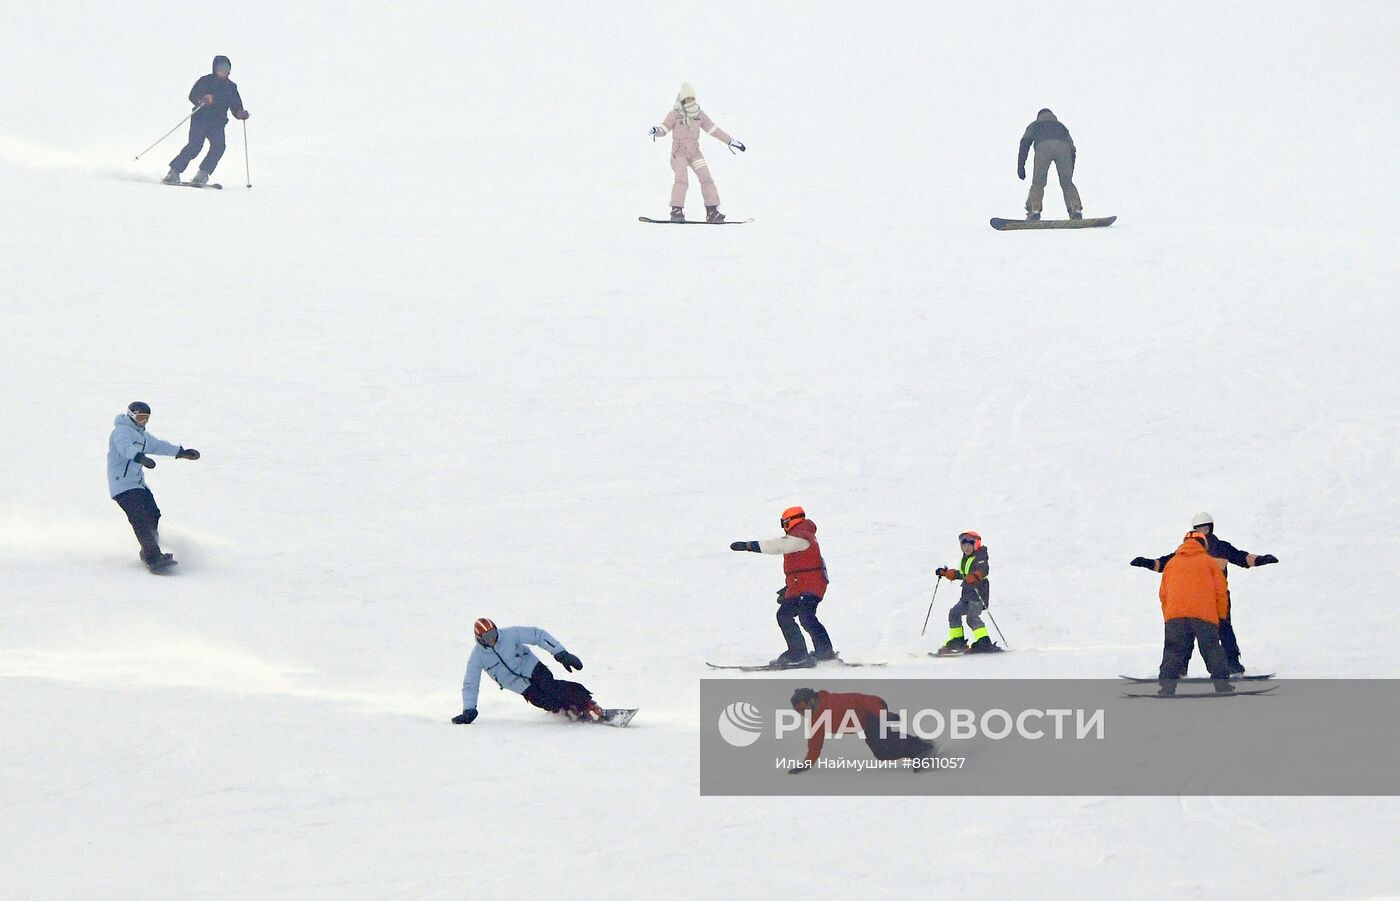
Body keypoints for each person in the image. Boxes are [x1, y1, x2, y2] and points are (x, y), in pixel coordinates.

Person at [1131, 513, 1278, 674]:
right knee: (1187, 634)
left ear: (1211, 528)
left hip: (1218, 598)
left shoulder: (1222, 547)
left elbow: (1242, 557)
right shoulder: (1185, 552)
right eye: (1199, 529)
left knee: (1224, 631)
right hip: (1198, 601)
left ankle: (1233, 665)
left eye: (1206, 528)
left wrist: (1261, 559)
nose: (1203, 532)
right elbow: (1164, 563)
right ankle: (1180, 669)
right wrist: (1147, 563)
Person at [730, 506, 835, 666]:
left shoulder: (801, 536)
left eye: (784, 524)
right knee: (785, 615)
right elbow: (800, 568)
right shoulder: (801, 537)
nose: (784, 528)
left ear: (792, 522)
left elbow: (777, 546)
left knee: (806, 617)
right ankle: (807, 651)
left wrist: (749, 546)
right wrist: (789, 588)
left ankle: (810, 653)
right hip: (800, 587)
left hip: (810, 587)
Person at [452, 618, 603, 724]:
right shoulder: (477, 657)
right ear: (479, 639)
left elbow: (538, 635)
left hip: (532, 667)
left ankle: (587, 703)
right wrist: (469, 710)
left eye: (494, 634)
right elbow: (470, 684)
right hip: (517, 684)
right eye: (487, 637)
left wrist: (561, 653)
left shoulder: (510, 634)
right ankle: (567, 709)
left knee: (550, 687)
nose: (492, 639)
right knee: (543, 701)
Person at [107, 402, 201, 571]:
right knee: (140, 519)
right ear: (131, 415)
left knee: (153, 514)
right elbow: (124, 448)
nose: (143, 422)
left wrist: (181, 453)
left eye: (146, 419)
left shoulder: (141, 436)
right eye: (140, 418)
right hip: (122, 484)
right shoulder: (121, 432)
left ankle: (148, 550)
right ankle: (153, 556)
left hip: (138, 484)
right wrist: (139, 457)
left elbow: (158, 445)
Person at [649, 83, 745, 222]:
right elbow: (664, 128)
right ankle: (676, 210)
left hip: (695, 153)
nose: (689, 101)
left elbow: (713, 130)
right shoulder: (675, 114)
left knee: (706, 178)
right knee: (682, 180)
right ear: (681, 100)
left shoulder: (699, 114)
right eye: (686, 99)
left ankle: (712, 211)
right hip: (679, 153)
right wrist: (656, 131)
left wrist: (730, 141)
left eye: (691, 98)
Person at [1154, 531, 1233, 694]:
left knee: (1173, 651)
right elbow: (1221, 591)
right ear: (1204, 544)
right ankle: (1222, 686)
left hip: (1175, 617)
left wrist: (1169, 617)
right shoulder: (1209, 562)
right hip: (1204, 616)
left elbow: (1163, 594)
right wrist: (1222, 615)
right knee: (1212, 650)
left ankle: (1167, 688)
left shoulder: (1171, 563)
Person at [787, 688, 935, 773]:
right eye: (799, 711)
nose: (802, 713)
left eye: (803, 708)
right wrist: (805, 765)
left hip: (872, 710)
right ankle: (920, 747)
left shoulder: (834, 702)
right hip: (865, 723)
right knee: (881, 753)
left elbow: (863, 700)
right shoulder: (816, 721)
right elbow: (815, 746)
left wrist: (882, 714)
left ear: (811, 700)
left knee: (882, 741)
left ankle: (920, 750)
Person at [163, 55, 250, 186]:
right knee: (195, 146)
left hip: (218, 123)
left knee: (219, 146)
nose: (223, 71)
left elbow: (236, 105)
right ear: (215, 68)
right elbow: (192, 95)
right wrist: (202, 99)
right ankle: (174, 172)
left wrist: (240, 113)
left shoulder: (231, 87)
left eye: (226, 68)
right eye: (220, 68)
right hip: (201, 119)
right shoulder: (205, 81)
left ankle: (203, 173)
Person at [934, 531, 1002, 655]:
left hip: (978, 593)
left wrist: (975, 576)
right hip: (967, 594)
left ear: (975, 544)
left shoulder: (981, 556)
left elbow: (983, 570)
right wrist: (946, 573)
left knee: (972, 617)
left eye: (968, 545)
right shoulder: (966, 559)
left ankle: (984, 642)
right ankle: (957, 641)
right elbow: (962, 574)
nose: (965, 548)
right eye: (963, 546)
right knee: (954, 613)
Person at [1017, 108, 1082, 221]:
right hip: (1064, 148)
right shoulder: (1061, 126)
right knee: (1067, 183)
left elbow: (1024, 143)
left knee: (1038, 183)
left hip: (1043, 147)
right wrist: (1070, 169)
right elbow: (1072, 149)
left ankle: (1034, 208)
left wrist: (1021, 166)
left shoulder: (1035, 125)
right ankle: (1075, 207)